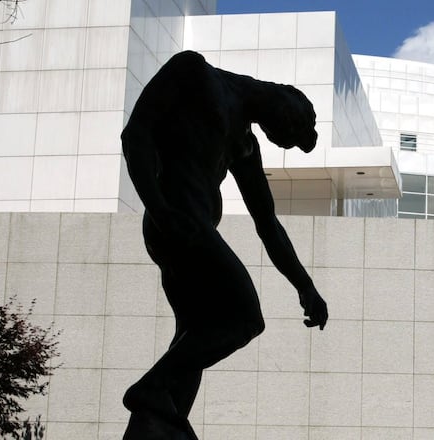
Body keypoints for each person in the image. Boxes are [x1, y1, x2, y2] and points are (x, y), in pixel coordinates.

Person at [120, 50, 328, 439]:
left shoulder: (244, 144)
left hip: (188, 228)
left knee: (196, 333)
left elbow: (267, 224)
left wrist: (305, 285)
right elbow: (136, 134)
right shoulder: (193, 71)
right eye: (292, 124)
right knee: (244, 318)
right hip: (179, 223)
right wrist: (160, 208)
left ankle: (163, 423)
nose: (280, 133)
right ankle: (149, 390)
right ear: (286, 94)